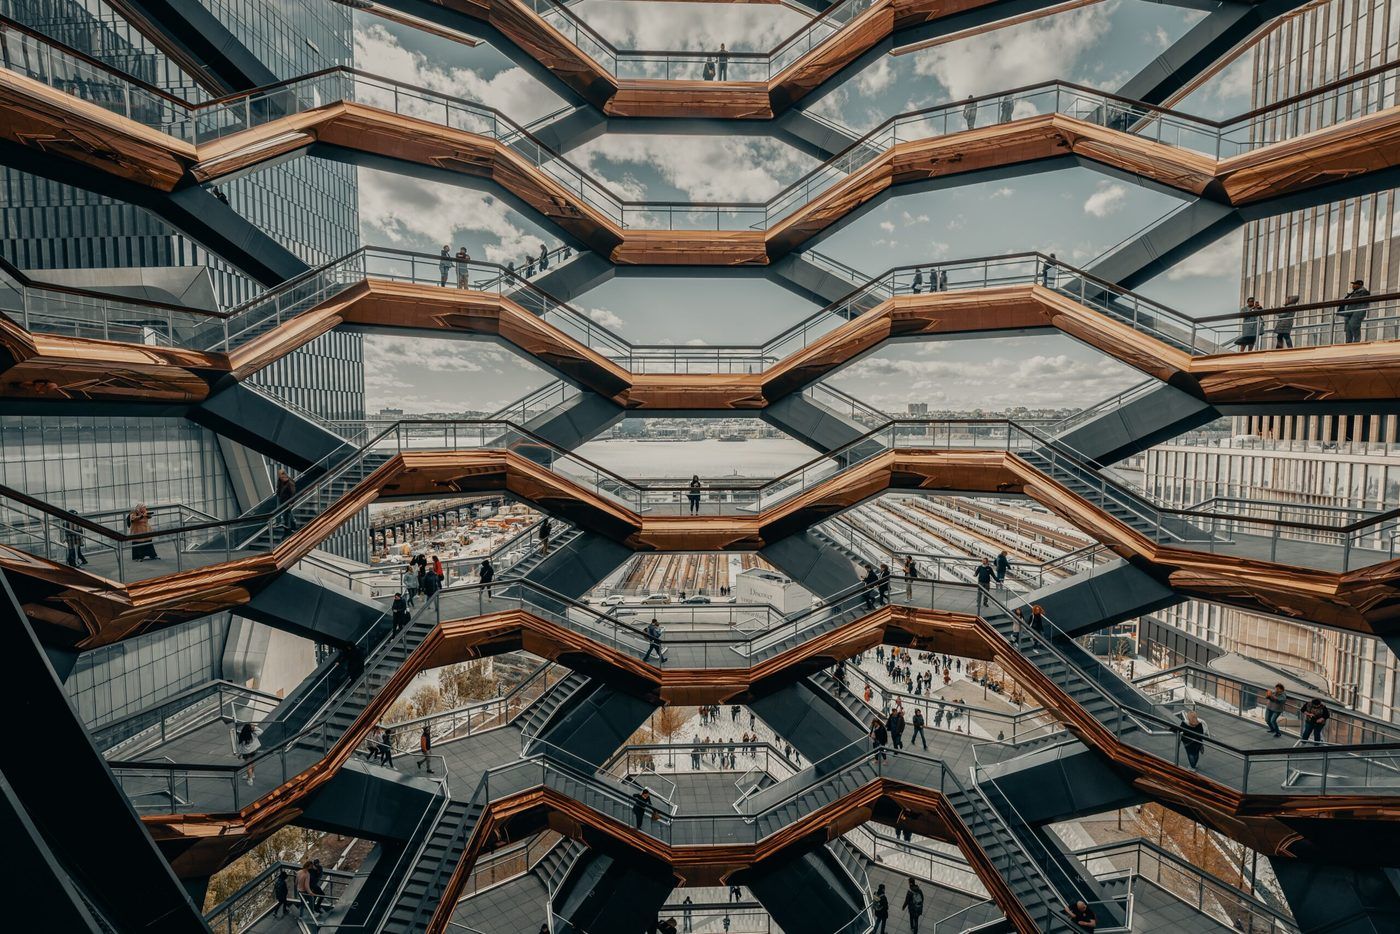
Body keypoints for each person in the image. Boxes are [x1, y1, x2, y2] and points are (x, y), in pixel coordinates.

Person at [1339, 278, 1370, 343]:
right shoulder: (1353, 293)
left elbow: (1364, 302)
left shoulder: (1364, 292)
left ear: (1360, 285)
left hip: (1357, 311)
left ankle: (1356, 341)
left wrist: (1360, 311)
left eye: (1355, 284)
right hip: (1349, 312)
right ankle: (1348, 342)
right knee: (1348, 327)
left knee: (1354, 325)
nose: (1353, 286)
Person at [276, 469, 297, 536]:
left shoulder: (290, 483)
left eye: (282, 477)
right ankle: (291, 526)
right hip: (282, 499)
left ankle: (289, 528)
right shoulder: (280, 480)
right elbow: (278, 488)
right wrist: (278, 493)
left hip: (288, 501)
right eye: (279, 476)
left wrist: (291, 502)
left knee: (287, 513)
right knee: (288, 513)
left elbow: (293, 494)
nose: (281, 478)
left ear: (285, 475)